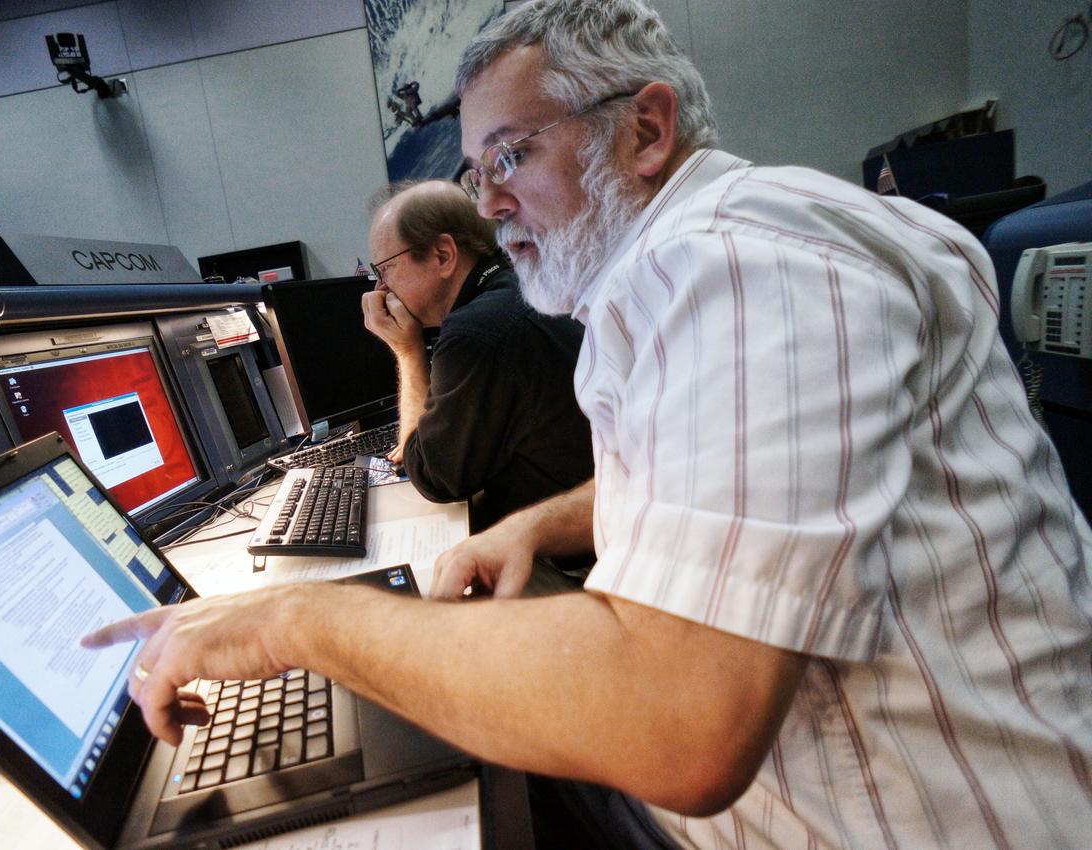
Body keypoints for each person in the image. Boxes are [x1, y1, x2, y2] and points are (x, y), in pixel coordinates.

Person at [84, 2, 1092, 848]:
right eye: (478, 173)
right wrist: (540, 523)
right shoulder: (733, 241)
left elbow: (676, 722)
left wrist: (293, 620)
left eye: (512, 154)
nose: (494, 203)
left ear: (643, 131)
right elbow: (727, 470)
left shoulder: (727, 265)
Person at [361, 180, 593, 550]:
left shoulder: (477, 332)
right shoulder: (518, 287)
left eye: (385, 269)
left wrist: (407, 351)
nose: (380, 289)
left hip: (568, 560)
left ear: (442, 255)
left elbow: (436, 479)